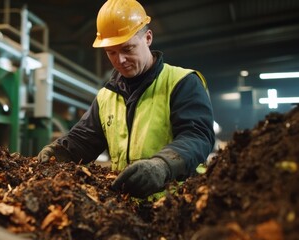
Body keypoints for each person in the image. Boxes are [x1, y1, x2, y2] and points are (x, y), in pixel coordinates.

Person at [37, 0, 215, 199]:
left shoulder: (181, 82)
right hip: (125, 207)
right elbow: (83, 140)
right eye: (111, 52)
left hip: (174, 206)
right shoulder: (107, 96)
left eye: (127, 49)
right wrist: (59, 152)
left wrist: (163, 165)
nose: (119, 60)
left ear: (147, 38)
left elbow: (197, 136)